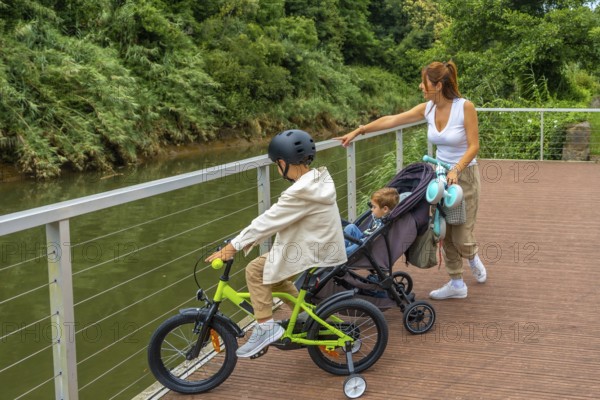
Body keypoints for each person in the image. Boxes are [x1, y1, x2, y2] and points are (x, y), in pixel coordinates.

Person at [335, 60, 487, 300]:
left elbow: (474, 146)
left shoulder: (464, 107)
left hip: (463, 175)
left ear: (437, 85)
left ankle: (472, 255)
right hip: (439, 177)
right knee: (444, 232)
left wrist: (456, 169)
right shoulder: (427, 108)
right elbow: (392, 120)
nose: (420, 86)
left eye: (424, 83)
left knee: (462, 236)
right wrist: (360, 131)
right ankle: (456, 282)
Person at [205, 129, 347, 358]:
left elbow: (267, 221)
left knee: (255, 271)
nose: (278, 169)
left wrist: (233, 247)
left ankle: (265, 327)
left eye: (276, 165)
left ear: (282, 162)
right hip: (318, 247)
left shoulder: (300, 192)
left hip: (311, 250)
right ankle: (310, 320)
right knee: (276, 278)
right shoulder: (317, 180)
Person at [344, 187, 402, 255]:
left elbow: (378, 240)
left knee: (363, 240)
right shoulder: (378, 215)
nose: (371, 209)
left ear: (385, 209)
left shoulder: (387, 222)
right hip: (364, 238)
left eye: (374, 207)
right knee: (351, 227)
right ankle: (340, 248)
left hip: (370, 245)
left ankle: (343, 254)